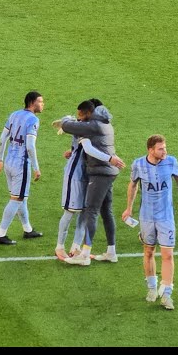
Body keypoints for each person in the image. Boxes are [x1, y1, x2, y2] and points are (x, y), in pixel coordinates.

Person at [122, 135, 178, 311]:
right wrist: (128, 209)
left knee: (168, 255)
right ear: (151, 150)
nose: (165, 151)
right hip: (146, 216)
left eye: (165, 147)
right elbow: (133, 185)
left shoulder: (171, 162)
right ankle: (152, 288)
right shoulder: (138, 164)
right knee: (148, 251)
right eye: (161, 148)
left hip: (166, 217)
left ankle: (167, 293)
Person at [54, 100, 125, 261]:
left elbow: (86, 146)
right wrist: (72, 150)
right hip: (99, 172)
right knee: (102, 211)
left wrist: (65, 121)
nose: (79, 118)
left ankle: (82, 253)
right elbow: (83, 147)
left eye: (80, 114)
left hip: (95, 173)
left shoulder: (91, 125)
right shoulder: (105, 123)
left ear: (88, 113)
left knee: (89, 211)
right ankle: (109, 251)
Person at [0, 91, 45, 245]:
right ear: (32, 103)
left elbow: (3, 138)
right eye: (40, 102)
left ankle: (27, 229)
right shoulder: (33, 120)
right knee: (16, 199)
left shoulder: (14, 115)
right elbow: (30, 146)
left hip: (9, 162)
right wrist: (36, 167)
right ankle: (0, 234)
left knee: (21, 197)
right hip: (21, 165)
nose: (43, 105)